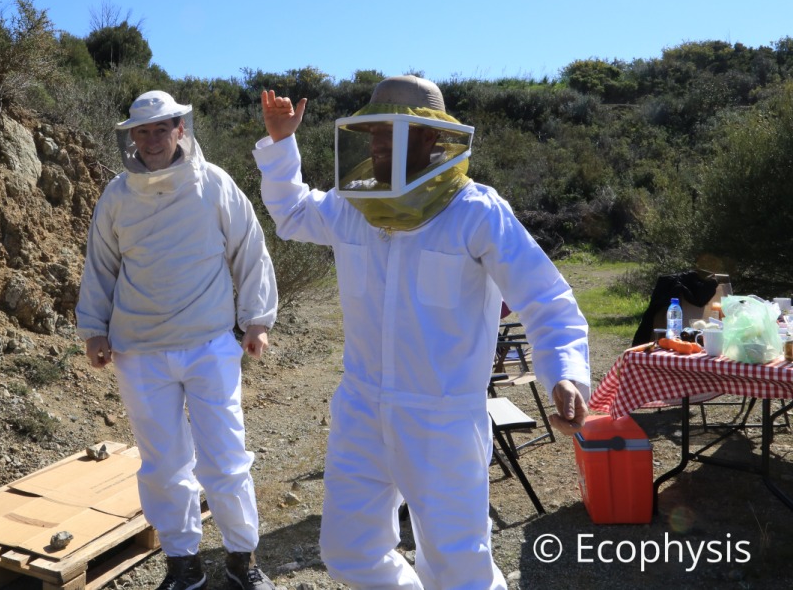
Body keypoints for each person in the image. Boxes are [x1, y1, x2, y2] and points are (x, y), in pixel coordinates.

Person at [253, 76, 590, 590]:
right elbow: (294, 212)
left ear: (431, 136)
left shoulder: (475, 211)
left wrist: (564, 372)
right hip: (361, 407)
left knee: (458, 568)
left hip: (443, 416)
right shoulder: (352, 205)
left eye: (390, 132)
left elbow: (545, 298)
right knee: (348, 550)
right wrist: (281, 144)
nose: (377, 144)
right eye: (373, 131)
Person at [76, 90, 279, 590]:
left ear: (180, 129)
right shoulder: (117, 195)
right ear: (131, 137)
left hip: (209, 344)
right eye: (142, 131)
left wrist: (257, 320)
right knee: (163, 464)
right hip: (139, 350)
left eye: (160, 129)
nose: (151, 140)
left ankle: (242, 560)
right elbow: (100, 265)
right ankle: (183, 565)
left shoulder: (214, 183)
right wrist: (94, 329)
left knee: (225, 458)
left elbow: (249, 249)